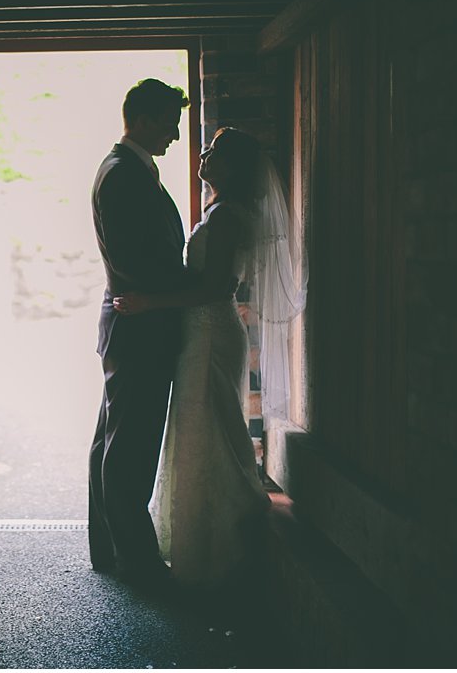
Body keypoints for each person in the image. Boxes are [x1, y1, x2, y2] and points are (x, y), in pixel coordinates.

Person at [113, 127, 307, 591]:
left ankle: (218, 545)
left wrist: (149, 303)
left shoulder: (226, 218)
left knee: (209, 430)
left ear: (234, 167)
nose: (203, 154)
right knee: (203, 428)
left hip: (210, 332)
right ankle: (198, 541)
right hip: (203, 332)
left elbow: (214, 288)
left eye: (216, 151)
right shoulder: (220, 211)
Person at [88, 78, 190, 590]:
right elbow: (134, 260)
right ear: (146, 119)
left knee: (113, 438)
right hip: (138, 323)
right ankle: (136, 561)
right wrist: (184, 292)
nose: (175, 134)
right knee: (130, 446)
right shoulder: (124, 175)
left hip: (133, 322)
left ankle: (109, 548)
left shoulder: (127, 169)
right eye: (170, 122)